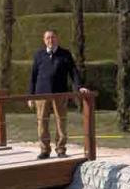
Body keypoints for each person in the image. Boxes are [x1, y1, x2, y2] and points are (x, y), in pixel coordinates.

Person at [28, 30, 89, 159]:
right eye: (48, 38)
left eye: (53, 37)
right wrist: (31, 96)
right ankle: (44, 150)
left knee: (61, 121)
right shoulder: (39, 55)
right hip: (41, 94)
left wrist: (80, 87)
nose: (50, 40)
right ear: (44, 40)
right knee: (42, 122)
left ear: (57, 39)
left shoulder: (65, 54)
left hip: (60, 94)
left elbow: (73, 72)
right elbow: (33, 76)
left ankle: (61, 149)